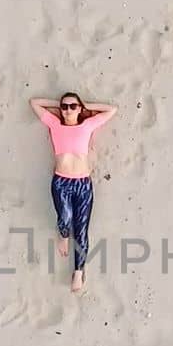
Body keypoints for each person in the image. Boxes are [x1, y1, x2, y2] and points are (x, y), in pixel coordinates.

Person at [29, 91, 117, 292]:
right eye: (64, 107)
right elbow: (34, 103)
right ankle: (63, 234)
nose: (68, 110)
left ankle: (78, 272)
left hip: (83, 184)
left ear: (79, 109)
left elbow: (112, 110)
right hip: (61, 182)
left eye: (72, 106)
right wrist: (57, 103)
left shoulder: (87, 125)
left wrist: (85, 104)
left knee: (82, 229)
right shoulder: (55, 124)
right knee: (65, 218)